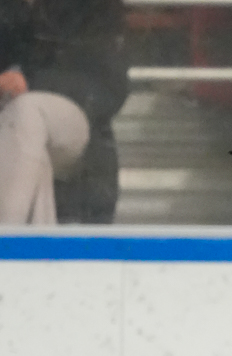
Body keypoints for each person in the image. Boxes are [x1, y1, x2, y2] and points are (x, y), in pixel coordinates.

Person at [0, 0, 128, 224]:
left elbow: (109, 87)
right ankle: (29, 250)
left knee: (26, 112)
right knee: (32, 156)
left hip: (74, 124)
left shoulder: (92, 7)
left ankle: (7, 242)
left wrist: (26, 82)